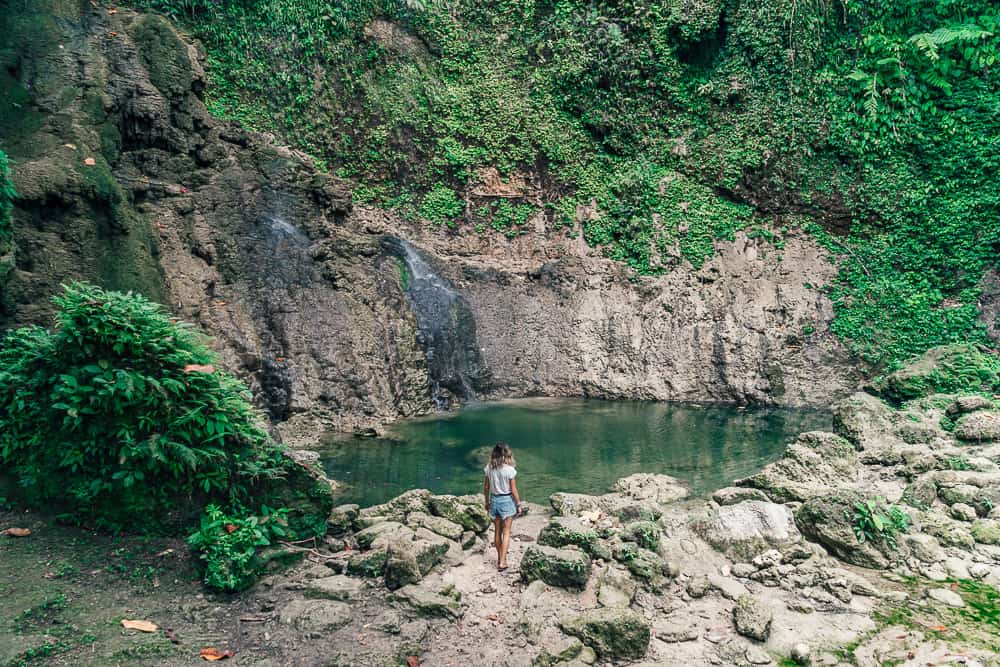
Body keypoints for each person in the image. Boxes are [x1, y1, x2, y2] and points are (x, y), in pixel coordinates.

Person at [483, 442, 522, 571]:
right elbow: (514, 490)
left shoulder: (489, 468)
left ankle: (500, 558)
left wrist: (487, 502)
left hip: (494, 500)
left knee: (497, 532)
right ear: (505, 454)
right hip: (506, 500)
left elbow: (486, 487)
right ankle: (502, 562)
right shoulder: (510, 470)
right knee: (506, 533)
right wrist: (518, 504)